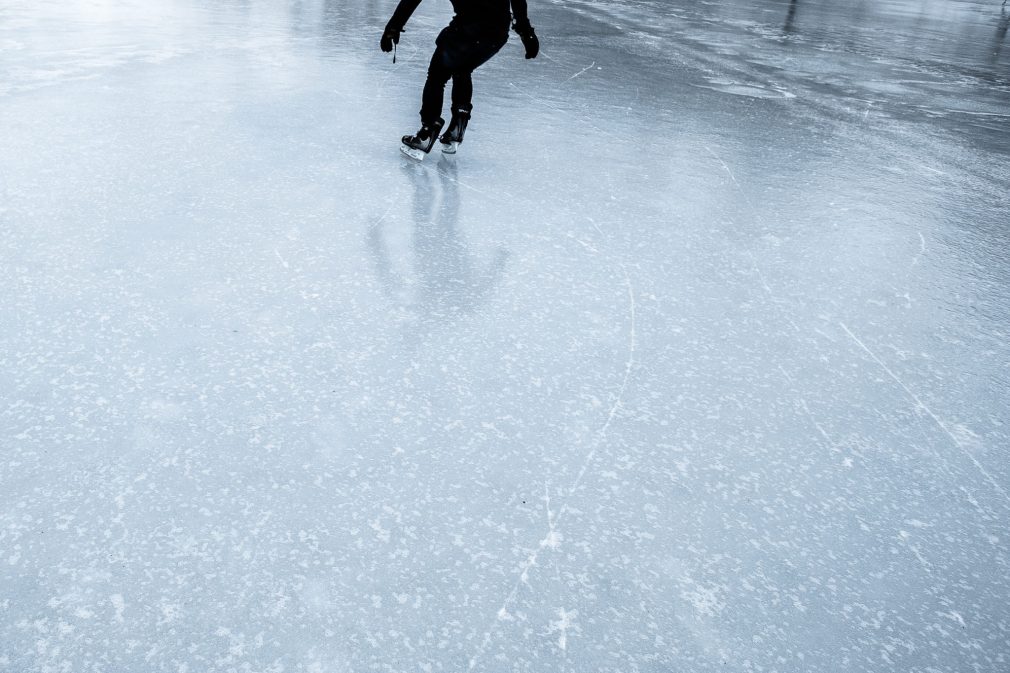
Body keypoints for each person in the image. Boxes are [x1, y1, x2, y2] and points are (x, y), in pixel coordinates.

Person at [380, 0, 540, 156]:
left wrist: (392, 28)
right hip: (496, 33)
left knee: (437, 76)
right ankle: (457, 126)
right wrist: (526, 33)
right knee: (463, 69)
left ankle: (426, 134)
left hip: (467, 30)